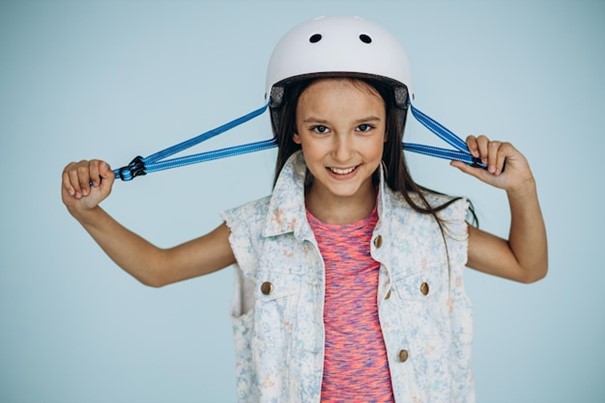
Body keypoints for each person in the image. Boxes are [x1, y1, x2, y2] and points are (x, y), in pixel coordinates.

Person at [61, 16, 547, 403]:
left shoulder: (433, 226)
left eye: (363, 128)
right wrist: (89, 213)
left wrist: (520, 187)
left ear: (388, 131)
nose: (342, 152)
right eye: (320, 129)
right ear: (292, 129)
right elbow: (157, 268)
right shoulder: (257, 230)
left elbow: (528, 267)